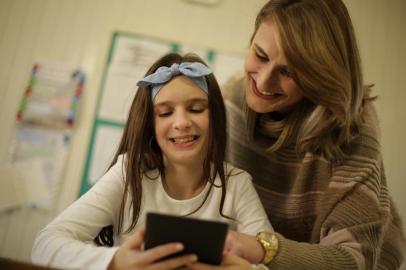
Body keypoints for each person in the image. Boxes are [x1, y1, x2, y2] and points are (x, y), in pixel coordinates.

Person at [191, 0, 405, 270]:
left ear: (320, 75)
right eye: (260, 55)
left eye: (289, 71)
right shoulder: (231, 100)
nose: (264, 81)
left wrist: (263, 247)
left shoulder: (351, 129)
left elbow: (353, 260)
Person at [31, 53, 272, 270]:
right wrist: (114, 262)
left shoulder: (237, 185)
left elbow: (271, 263)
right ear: (150, 125)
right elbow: (45, 245)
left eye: (196, 109)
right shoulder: (129, 174)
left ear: (216, 118)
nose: (181, 123)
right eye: (165, 113)